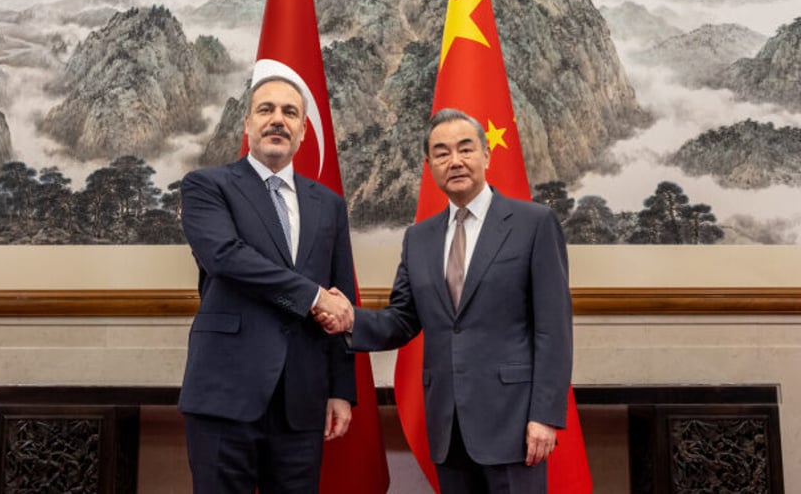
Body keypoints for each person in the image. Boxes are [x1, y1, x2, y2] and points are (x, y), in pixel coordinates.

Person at [318, 108, 573, 494]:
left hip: (515, 425)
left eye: (465, 149)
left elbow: (553, 329)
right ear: (430, 165)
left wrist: (546, 416)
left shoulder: (533, 223)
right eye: (441, 153)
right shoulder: (419, 238)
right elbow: (403, 319)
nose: (454, 161)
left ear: (486, 155)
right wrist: (351, 319)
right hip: (447, 426)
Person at [178, 75, 356, 494]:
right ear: (247, 124)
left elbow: (341, 298)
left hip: (302, 400)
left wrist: (341, 389)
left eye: (290, 113)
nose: (278, 120)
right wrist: (311, 295)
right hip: (225, 394)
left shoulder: (328, 204)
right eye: (266, 110)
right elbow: (226, 257)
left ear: (303, 131)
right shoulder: (206, 186)